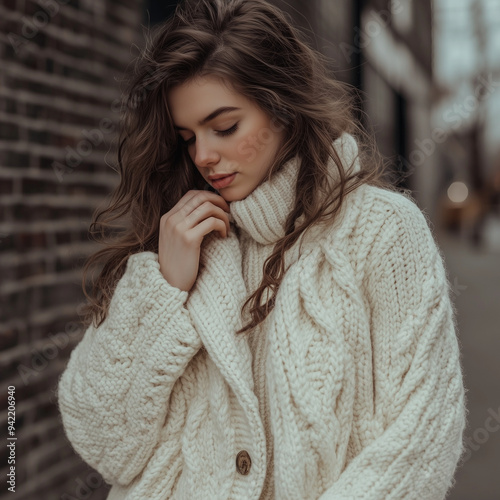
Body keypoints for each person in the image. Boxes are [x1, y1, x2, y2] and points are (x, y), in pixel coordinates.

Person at [56, 0, 466, 499]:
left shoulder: (382, 232)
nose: (204, 155)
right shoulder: (183, 245)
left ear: (283, 107)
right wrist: (162, 288)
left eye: (225, 127)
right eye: (188, 138)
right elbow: (102, 439)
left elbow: (420, 439)